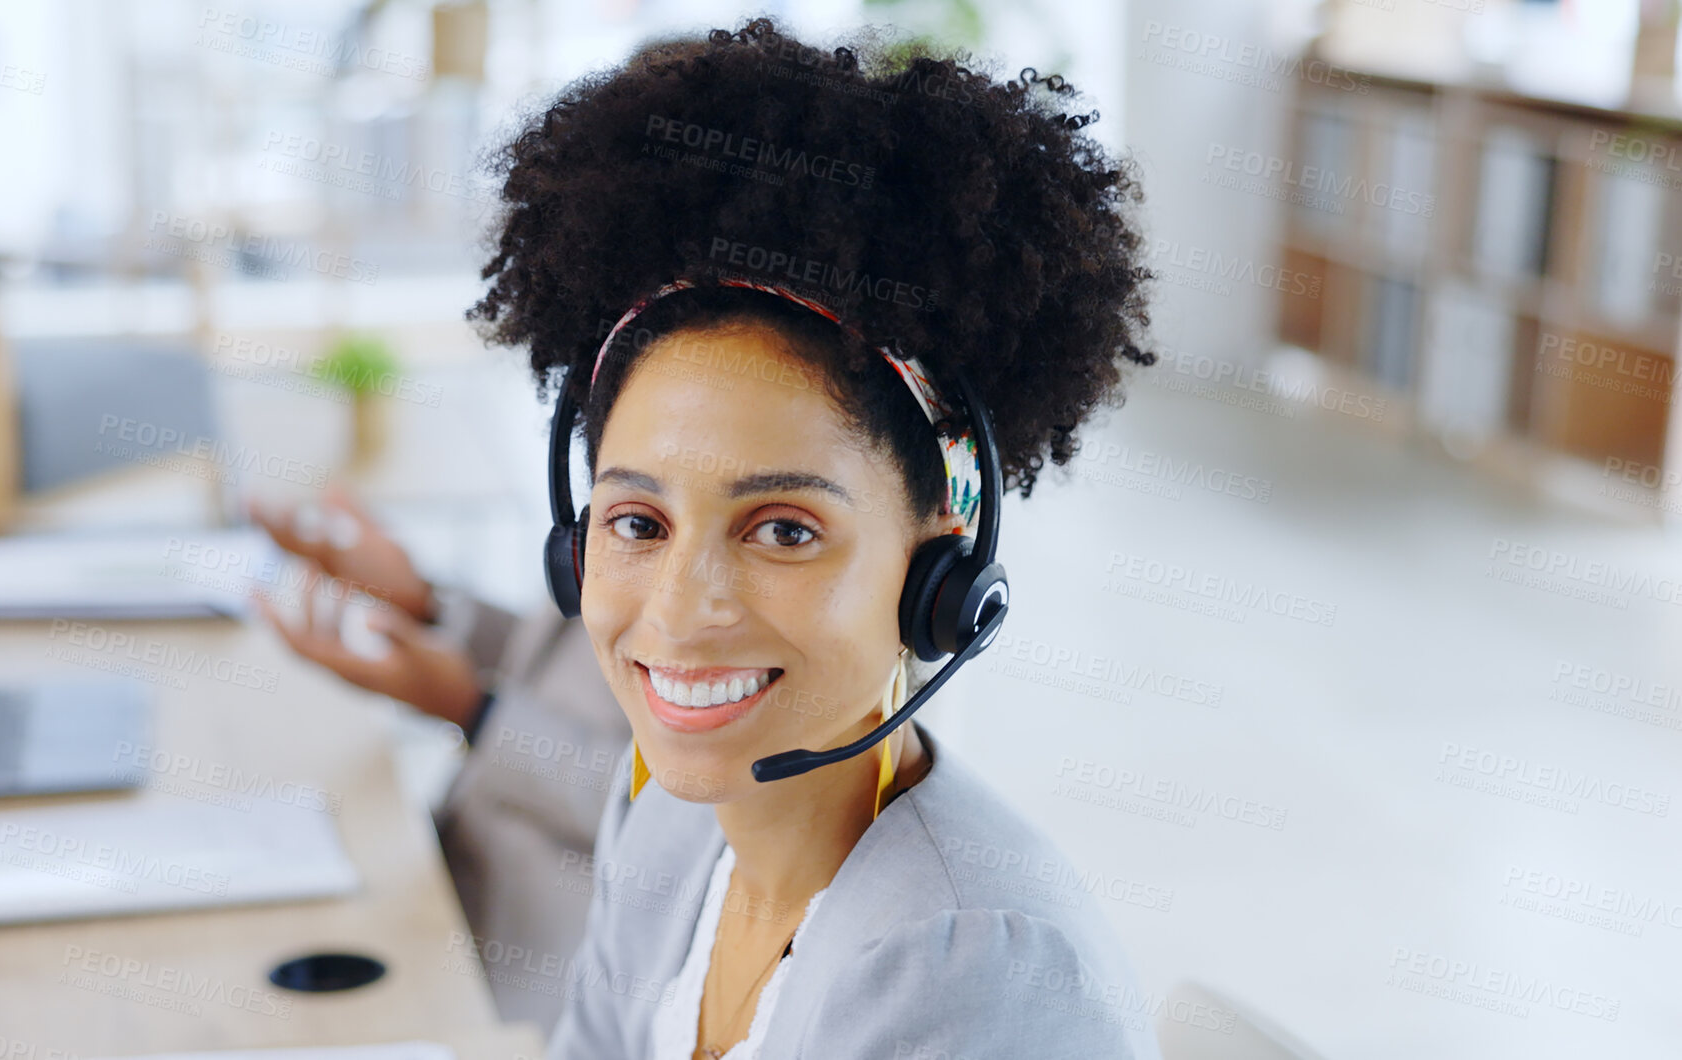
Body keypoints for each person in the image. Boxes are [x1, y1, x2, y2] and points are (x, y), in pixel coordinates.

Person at [468, 18, 1160, 1059]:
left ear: (941, 569)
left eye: (783, 529)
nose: (679, 609)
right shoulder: (668, 819)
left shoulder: (974, 971)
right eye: (637, 522)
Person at [248, 489, 629, 1032]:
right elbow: (552, 664)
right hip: (448, 896)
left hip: (537, 974)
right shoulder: (620, 501)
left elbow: (656, 798)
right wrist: (424, 602)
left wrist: (473, 710)